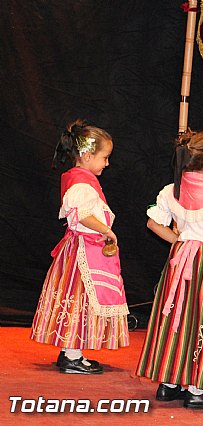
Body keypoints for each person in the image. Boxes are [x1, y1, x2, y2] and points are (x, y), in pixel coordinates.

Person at [136, 130, 203, 410]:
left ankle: (169, 384)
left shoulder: (171, 190)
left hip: (182, 258)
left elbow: (153, 223)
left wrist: (181, 241)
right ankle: (198, 390)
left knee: (178, 317)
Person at [31, 119, 130, 374]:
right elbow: (81, 215)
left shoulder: (81, 179)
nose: (106, 164)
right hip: (83, 252)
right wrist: (106, 230)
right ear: (86, 155)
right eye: (104, 158)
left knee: (77, 300)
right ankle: (72, 356)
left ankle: (71, 353)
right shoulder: (82, 182)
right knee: (79, 299)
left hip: (81, 248)